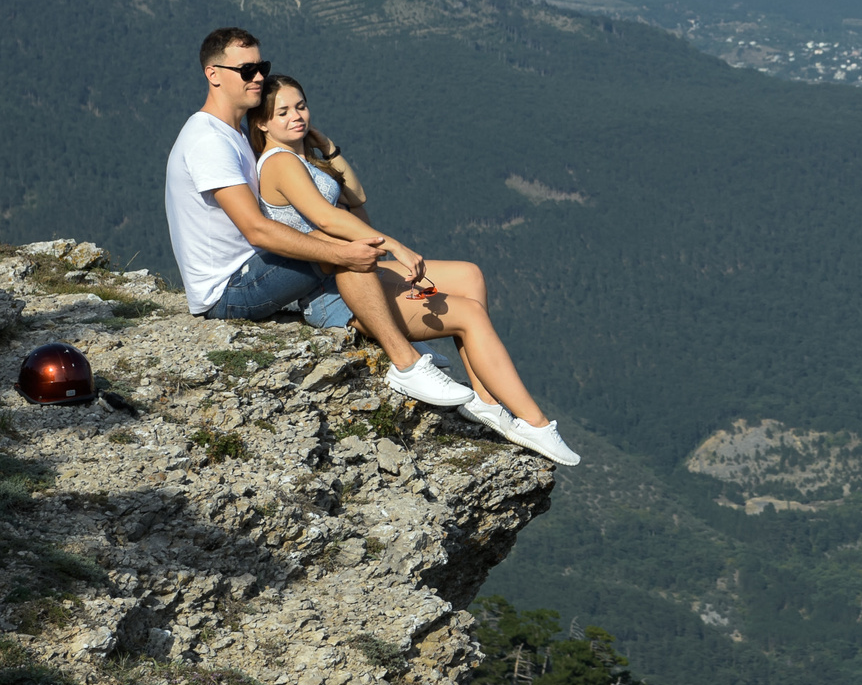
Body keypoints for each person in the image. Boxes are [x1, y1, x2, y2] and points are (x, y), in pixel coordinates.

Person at [250, 74, 579, 466]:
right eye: (282, 112)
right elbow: (327, 218)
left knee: (469, 276)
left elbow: (357, 197)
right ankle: (534, 423)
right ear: (262, 123)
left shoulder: (302, 158)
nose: (296, 117)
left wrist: (328, 147)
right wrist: (395, 246)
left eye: (300, 106)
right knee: (469, 314)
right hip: (333, 291)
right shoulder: (281, 163)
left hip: (354, 271)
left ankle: (486, 401)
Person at [163, 27, 475, 411]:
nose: (258, 76)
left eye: (262, 66)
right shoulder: (208, 141)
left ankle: (408, 343)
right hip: (228, 289)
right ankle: (406, 364)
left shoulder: (234, 134)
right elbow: (256, 228)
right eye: (246, 70)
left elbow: (349, 200)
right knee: (343, 248)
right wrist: (344, 252)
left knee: (340, 243)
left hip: (253, 269)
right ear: (213, 75)